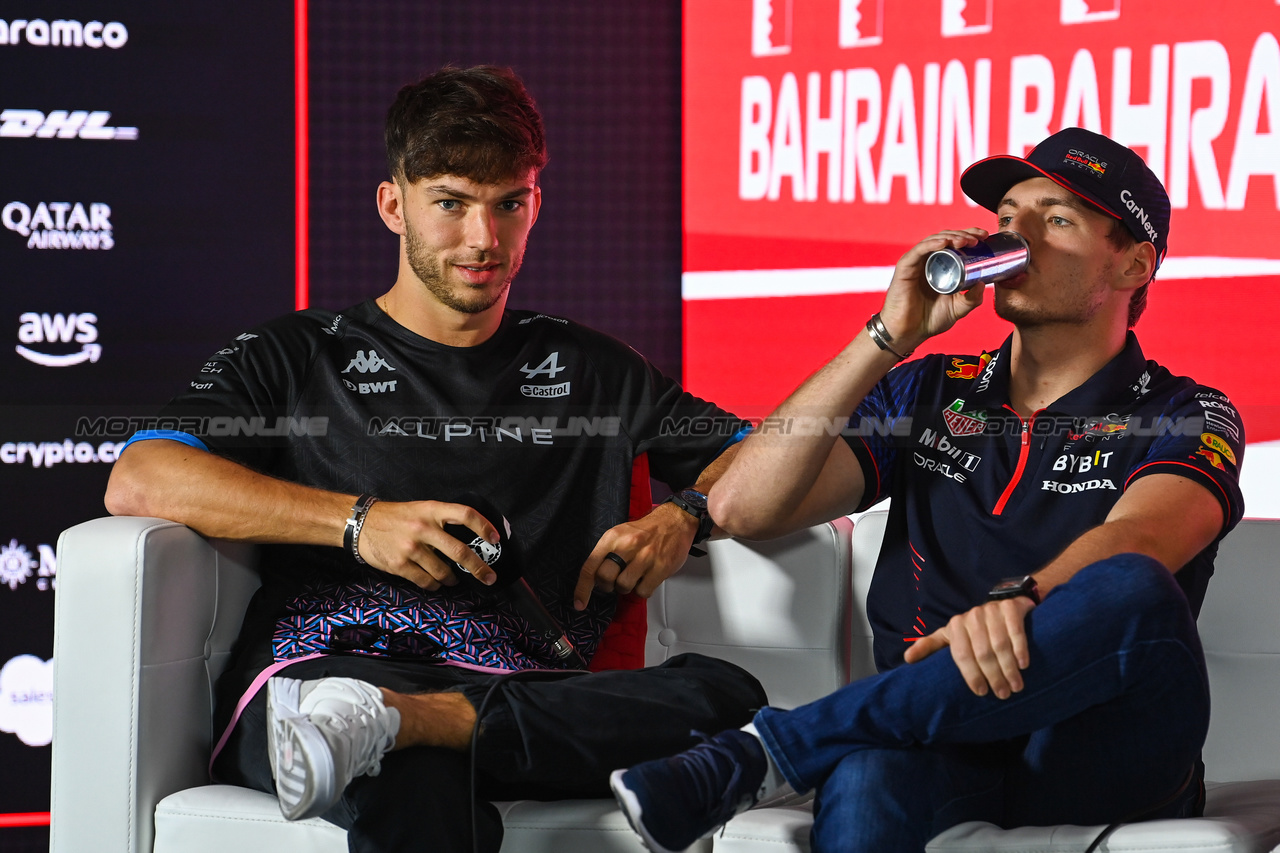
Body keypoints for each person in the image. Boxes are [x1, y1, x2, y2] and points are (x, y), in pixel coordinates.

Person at [104, 65, 766, 853]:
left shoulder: (593, 368)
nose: (483, 239)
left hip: (521, 695)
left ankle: (415, 723)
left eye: (508, 205)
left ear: (534, 206)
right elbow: (140, 475)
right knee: (407, 768)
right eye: (451, 203)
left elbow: (760, 456)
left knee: (728, 694)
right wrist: (359, 524)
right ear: (395, 204)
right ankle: (386, 722)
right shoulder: (297, 354)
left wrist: (683, 513)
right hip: (326, 680)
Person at [610, 127, 1246, 853]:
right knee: (869, 776)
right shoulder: (929, 389)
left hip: (1096, 747)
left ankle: (770, 751)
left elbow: (1143, 537)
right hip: (935, 737)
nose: (1019, 236)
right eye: (1007, 217)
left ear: (1134, 263)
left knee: (1133, 583)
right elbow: (740, 505)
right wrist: (886, 335)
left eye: (1057, 218)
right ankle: (795, 748)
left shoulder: (1185, 408)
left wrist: (1018, 602)